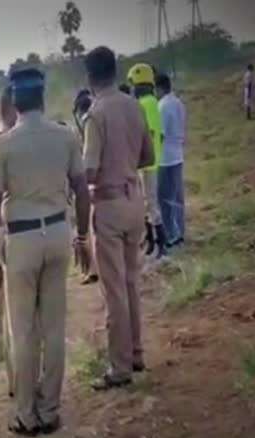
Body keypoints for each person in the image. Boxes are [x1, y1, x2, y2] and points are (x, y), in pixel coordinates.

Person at [0, 63, 91, 436]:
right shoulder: (64, 136)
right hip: (59, 233)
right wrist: (83, 237)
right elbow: (81, 191)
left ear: (14, 98)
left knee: (24, 332)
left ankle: (26, 416)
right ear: (42, 96)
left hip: (22, 242)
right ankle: (50, 409)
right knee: (55, 328)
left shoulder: (4, 145)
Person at [82, 47, 154, 390]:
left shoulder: (95, 115)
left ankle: (120, 367)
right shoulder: (134, 105)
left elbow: (90, 169)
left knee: (114, 291)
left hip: (109, 206)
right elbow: (146, 156)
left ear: (90, 78)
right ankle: (136, 352)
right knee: (131, 283)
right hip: (134, 199)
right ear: (115, 70)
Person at [0, 84, 18, 399]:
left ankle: (18, 380)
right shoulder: (3, 143)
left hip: (8, 233)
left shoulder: (4, 141)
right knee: (16, 317)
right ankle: (17, 382)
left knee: (16, 315)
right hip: (8, 232)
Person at [127, 63, 168, 259]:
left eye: (133, 84)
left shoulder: (147, 104)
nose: (132, 89)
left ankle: (161, 245)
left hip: (147, 164)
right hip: (148, 162)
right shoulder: (149, 102)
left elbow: (149, 133)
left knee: (151, 203)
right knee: (145, 203)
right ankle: (151, 243)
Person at [156, 72, 187, 248]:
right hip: (177, 155)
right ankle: (180, 232)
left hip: (165, 159)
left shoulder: (162, 106)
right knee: (177, 198)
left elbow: (160, 135)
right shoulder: (178, 103)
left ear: (159, 88)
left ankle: (171, 236)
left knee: (165, 199)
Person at [72, 89, 99, 285]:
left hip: (90, 186)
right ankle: (93, 268)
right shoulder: (89, 125)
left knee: (87, 231)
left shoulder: (89, 125)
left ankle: (92, 269)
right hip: (95, 186)